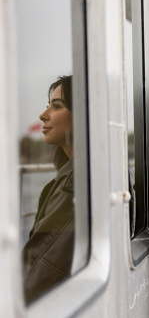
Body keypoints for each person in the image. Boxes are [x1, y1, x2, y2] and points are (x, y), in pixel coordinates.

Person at [22, 75, 74, 304]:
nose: (43, 115)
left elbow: (37, 271)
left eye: (56, 106)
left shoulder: (74, 185)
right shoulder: (83, 173)